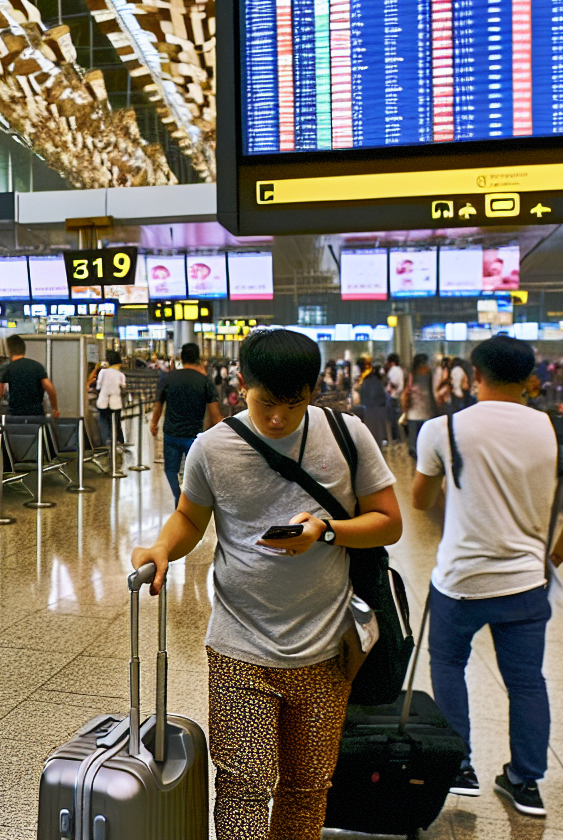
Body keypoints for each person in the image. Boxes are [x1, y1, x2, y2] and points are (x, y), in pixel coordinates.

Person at [130, 328, 401, 840]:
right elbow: (189, 519)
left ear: (314, 390)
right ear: (240, 383)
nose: (278, 418)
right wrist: (163, 547)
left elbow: (388, 521)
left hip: (325, 649)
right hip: (239, 645)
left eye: (294, 404)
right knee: (242, 788)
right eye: (265, 403)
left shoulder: (348, 435)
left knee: (307, 786)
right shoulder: (213, 448)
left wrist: (325, 531)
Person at [409, 336, 563, 816]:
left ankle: (460, 767)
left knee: (449, 667)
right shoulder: (560, 431)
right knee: (527, 682)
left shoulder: (444, 428)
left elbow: (419, 498)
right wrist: (553, 557)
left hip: (459, 579)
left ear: (475, 376)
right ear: (530, 379)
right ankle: (525, 782)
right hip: (525, 582)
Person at [150, 342, 223, 503]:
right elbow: (215, 415)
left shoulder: (168, 378)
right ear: (197, 358)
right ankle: (188, 499)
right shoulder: (205, 381)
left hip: (171, 434)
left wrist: (154, 423)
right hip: (195, 437)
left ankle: (178, 496)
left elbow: (158, 404)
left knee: (170, 469)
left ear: (181, 358)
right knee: (193, 473)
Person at [0, 335, 58, 418]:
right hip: (37, 416)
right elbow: (50, 388)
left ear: (9, 351)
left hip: (16, 417)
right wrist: (55, 409)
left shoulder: (7, 368)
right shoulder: (37, 366)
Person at [92, 351, 127, 449]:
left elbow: (98, 387)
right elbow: (123, 388)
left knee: (103, 424)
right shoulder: (120, 374)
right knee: (115, 424)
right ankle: (115, 443)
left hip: (103, 402)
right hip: (115, 403)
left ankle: (106, 445)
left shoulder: (102, 372)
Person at [403, 354, 435, 459]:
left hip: (423, 414)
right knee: (418, 446)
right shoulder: (415, 377)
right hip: (418, 415)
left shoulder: (428, 377)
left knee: (419, 445)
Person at [355, 354, 390, 446]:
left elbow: (364, 393)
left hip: (369, 408)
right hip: (379, 408)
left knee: (372, 431)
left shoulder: (366, 378)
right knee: (379, 431)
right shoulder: (380, 379)